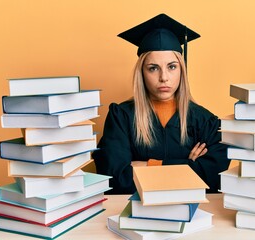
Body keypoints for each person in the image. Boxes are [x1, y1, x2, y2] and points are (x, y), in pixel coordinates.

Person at [93, 14, 230, 194]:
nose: (163, 77)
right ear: (141, 72)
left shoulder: (204, 121)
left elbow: (214, 179)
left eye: (172, 67)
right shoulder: (122, 117)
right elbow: (115, 180)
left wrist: (149, 166)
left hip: (192, 215)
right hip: (136, 214)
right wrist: (188, 167)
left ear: (182, 69)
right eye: (153, 68)